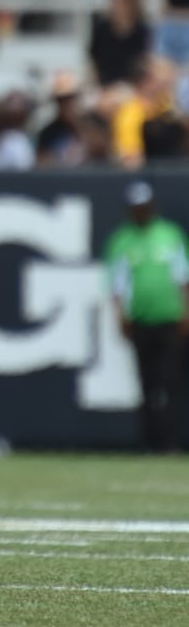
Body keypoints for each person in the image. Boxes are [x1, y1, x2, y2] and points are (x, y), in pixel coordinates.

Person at [103, 182, 189, 453]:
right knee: (146, 383)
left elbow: (183, 277)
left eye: (144, 208)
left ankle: (172, 442)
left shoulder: (169, 235)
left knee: (171, 383)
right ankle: (148, 442)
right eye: (136, 209)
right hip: (140, 320)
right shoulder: (122, 240)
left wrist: (186, 312)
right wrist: (120, 316)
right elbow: (116, 285)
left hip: (170, 318)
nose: (141, 213)